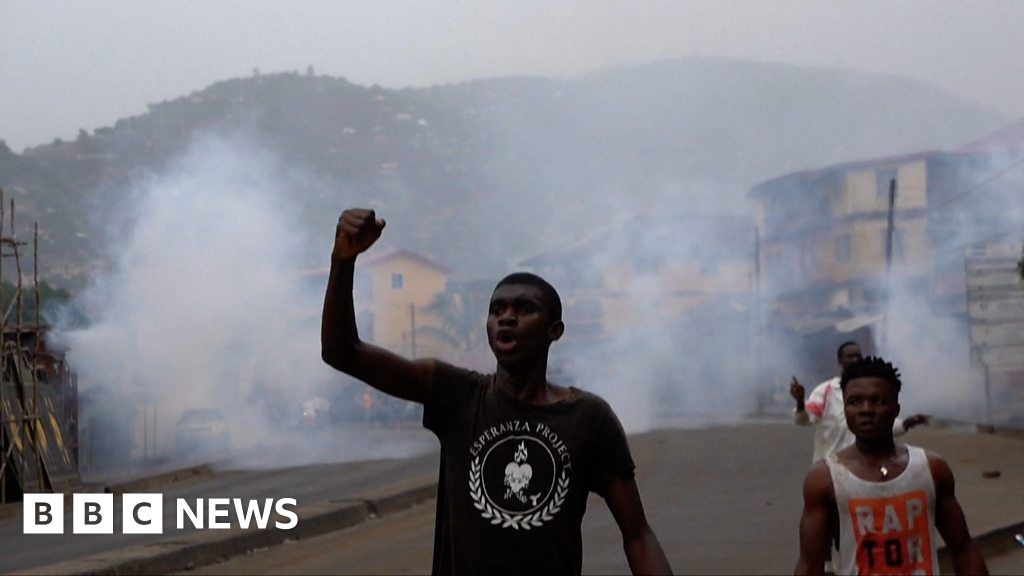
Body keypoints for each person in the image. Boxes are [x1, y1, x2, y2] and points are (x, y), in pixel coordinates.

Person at [321, 209, 672, 576]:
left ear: (555, 330)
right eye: (497, 309)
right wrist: (342, 261)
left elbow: (637, 534)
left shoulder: (589, 417)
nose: (506, 317)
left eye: (524, 309)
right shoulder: (457, 394)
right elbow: (342, 351)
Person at [794, 357, 988, 576]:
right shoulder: (825, 479)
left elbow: (963, 549)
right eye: (855, 401)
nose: (865, 409)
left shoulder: (931, 469)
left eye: (878, 401)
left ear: (896, 408)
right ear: (845, 408)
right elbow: (810, 565)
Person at [790, 341, 929, 464]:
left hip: (863, 469)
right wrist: (800, 402)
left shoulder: (870, 390)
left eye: (858, 355)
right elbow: (804, 420)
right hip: (830, 466)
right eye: (850, 356)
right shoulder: (826, 391)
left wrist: (907, 423)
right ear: (839, 360)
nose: (855, 360)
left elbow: (879, 425)